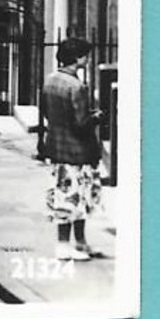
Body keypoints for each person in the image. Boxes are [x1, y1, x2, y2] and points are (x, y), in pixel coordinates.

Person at [40, 37, 105, 261]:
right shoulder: (77, 86)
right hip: (78, 151)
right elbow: (81, 124)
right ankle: (65, 245)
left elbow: (47, 113)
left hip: (57, 146)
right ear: (77, 58)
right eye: (85, 56)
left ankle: (79, 243)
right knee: (74, 198)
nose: (87, 60)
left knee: (70, 196)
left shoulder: (50, 80)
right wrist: (96, 117)